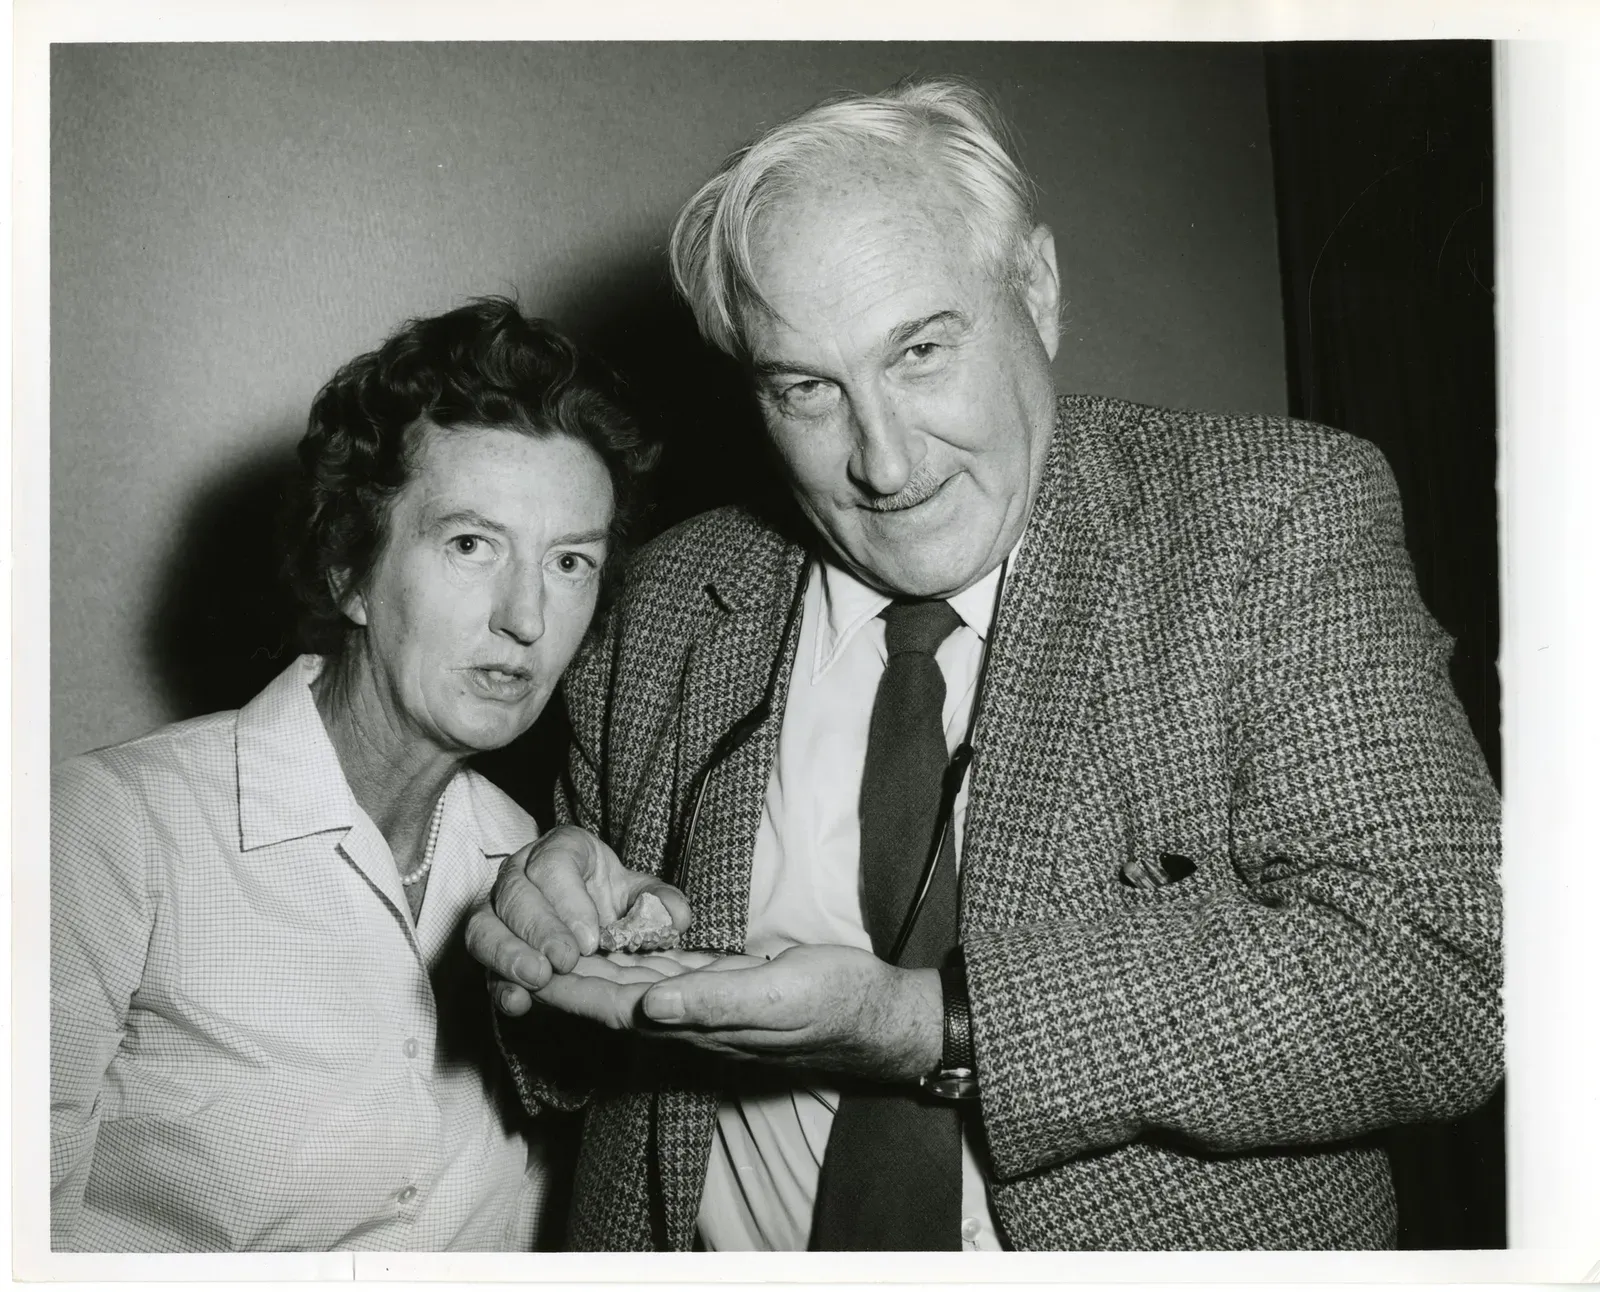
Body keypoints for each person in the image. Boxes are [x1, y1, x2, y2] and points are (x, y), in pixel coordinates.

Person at [467, 79, 1503, 1251]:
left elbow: (1443, 974)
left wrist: (933, 1022)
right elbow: (577, 1064)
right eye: (807, 389)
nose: (883, 458)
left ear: (1038, 292)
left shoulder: (1269, 519)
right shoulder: (665, 596)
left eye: (918, 350)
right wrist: (548, 929)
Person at [49, 298, 656, 1251]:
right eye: (470, 544)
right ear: (347, 569)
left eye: (570, 562)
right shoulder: (109, 835)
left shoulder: (534, 866)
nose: (527, 619)